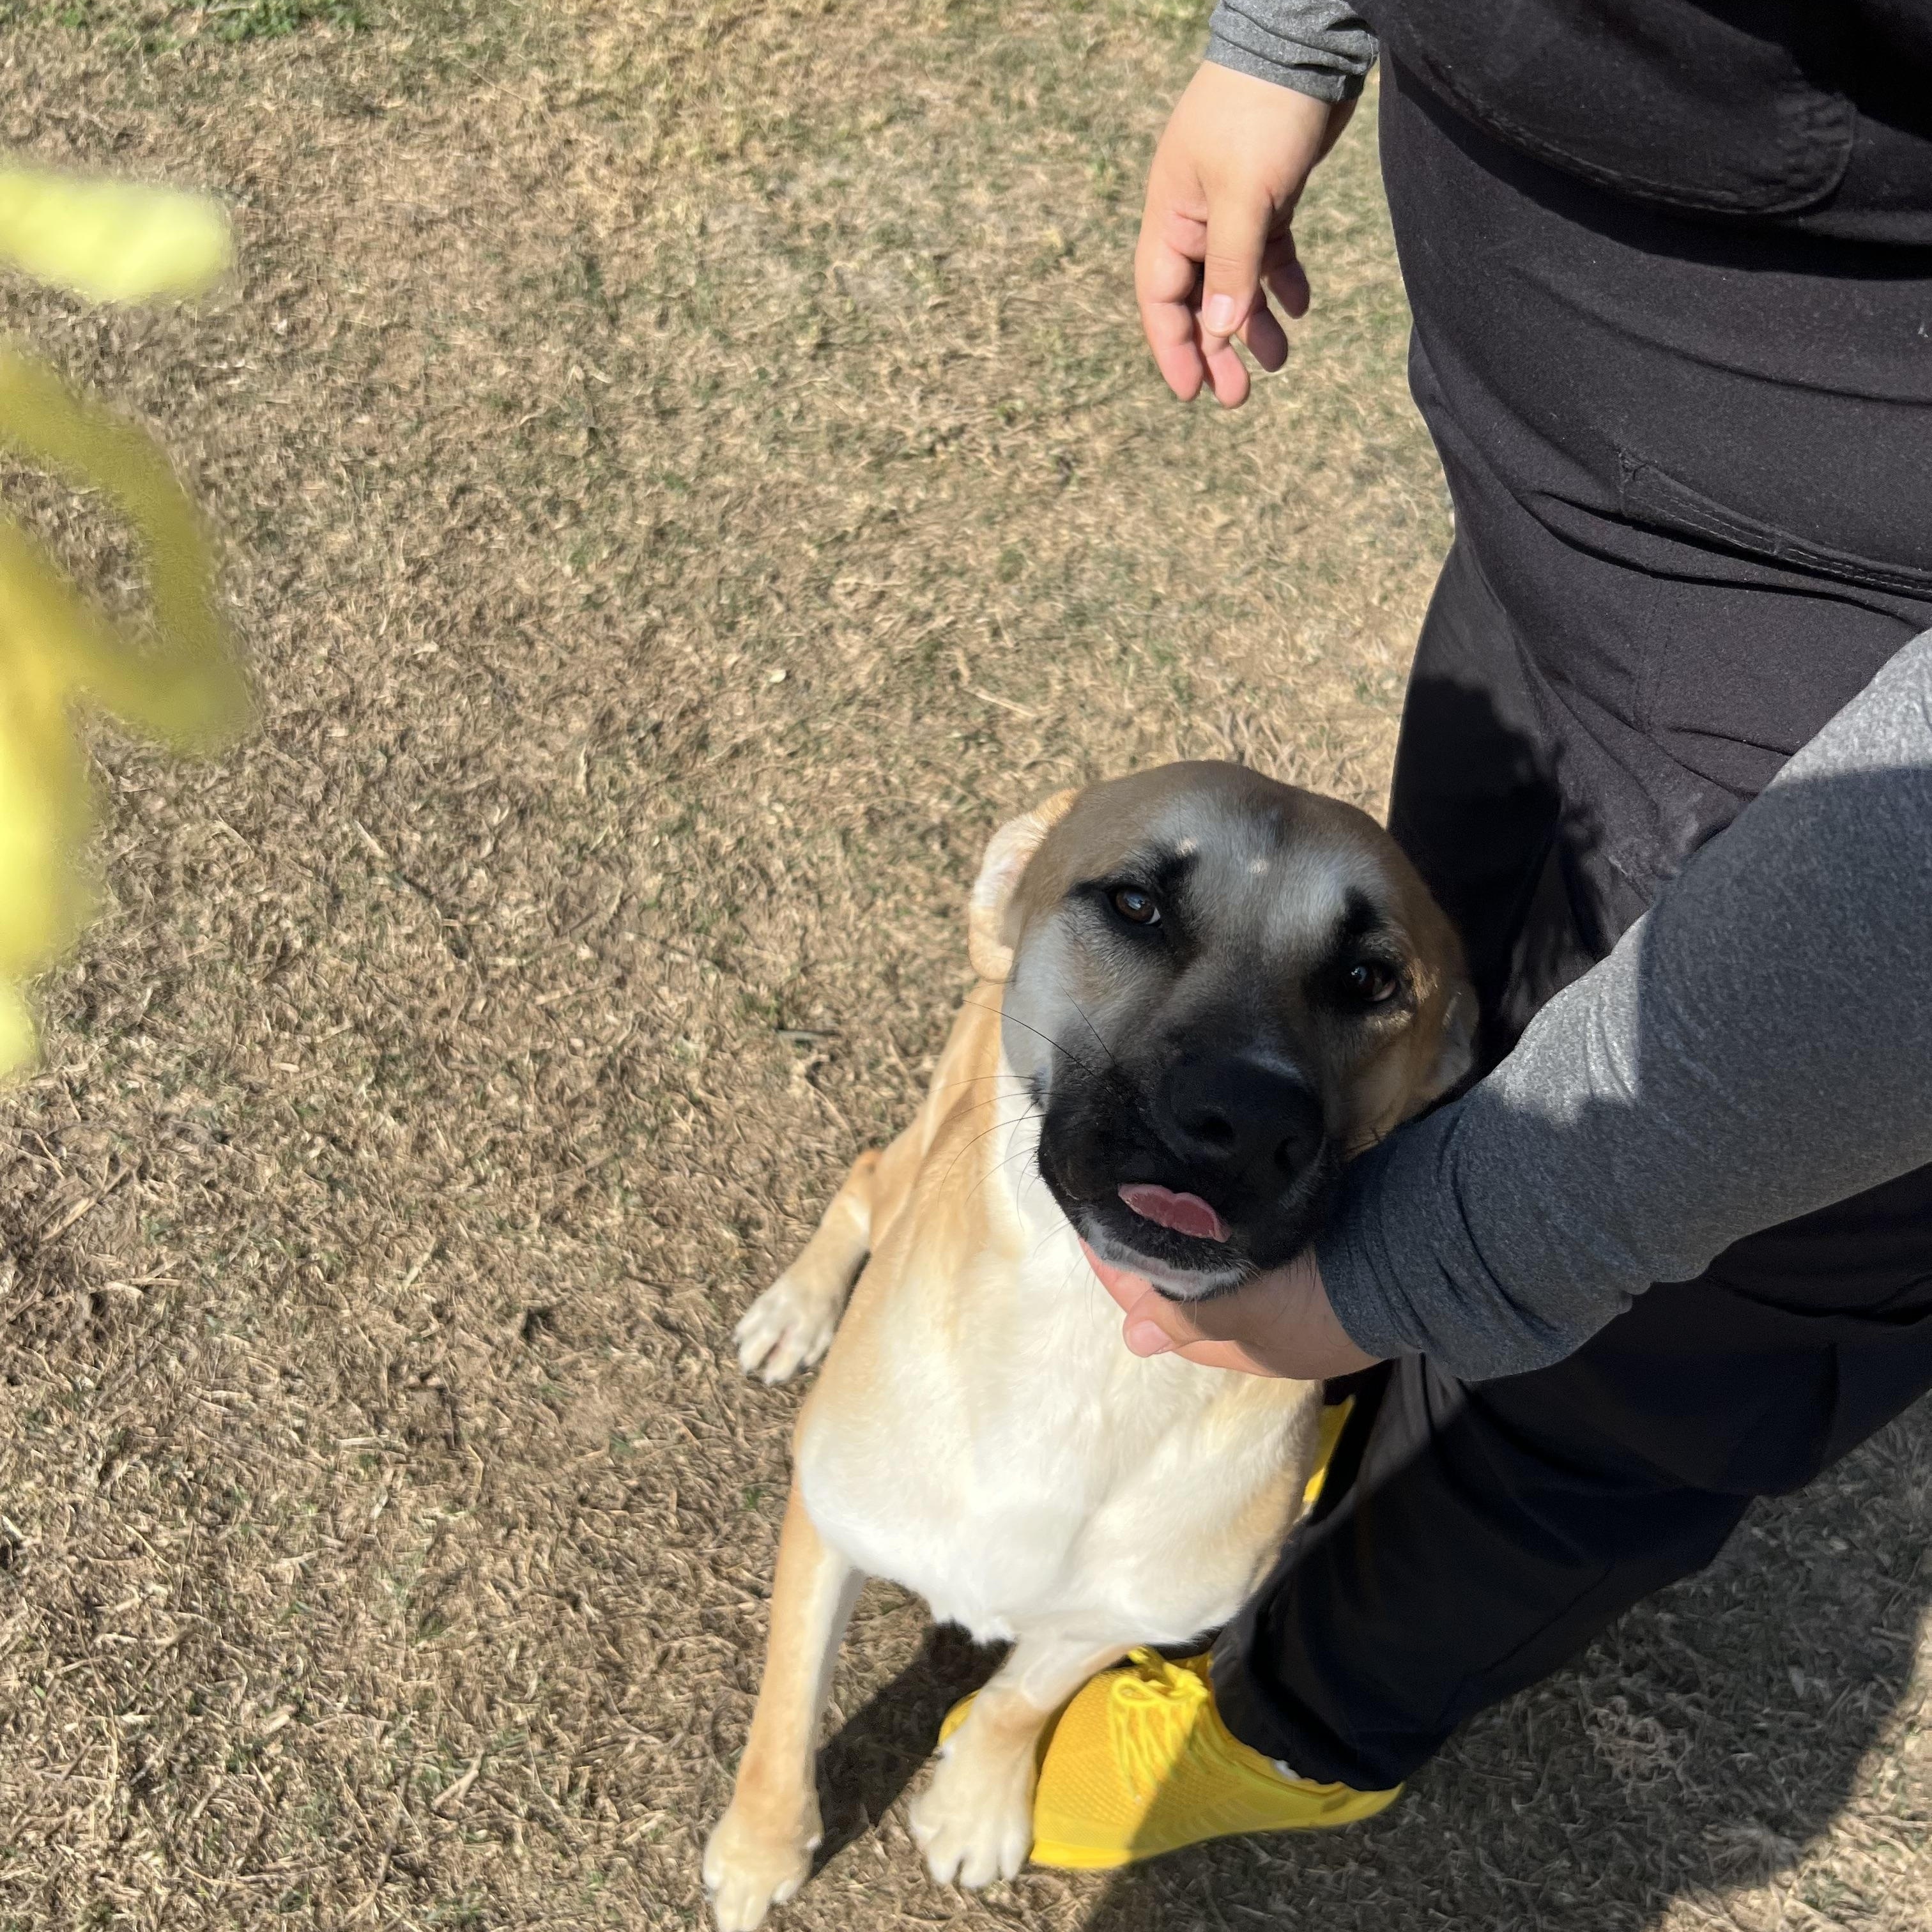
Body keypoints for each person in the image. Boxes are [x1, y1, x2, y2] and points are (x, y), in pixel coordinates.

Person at [1009, 1, 1932, 1868]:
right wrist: (1293, 32)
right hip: (1548, 542)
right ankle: (1348, 1374)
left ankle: (1312, 1716)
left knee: (1647, 1353)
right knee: (1407, 1027)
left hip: (1866, 757)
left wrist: (1456, 1263)